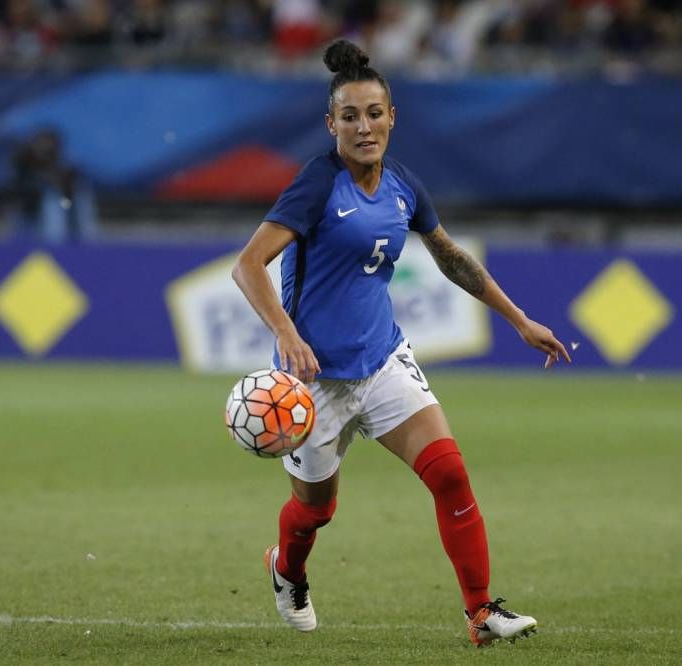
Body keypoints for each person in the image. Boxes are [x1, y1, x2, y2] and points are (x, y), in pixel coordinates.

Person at [231, 39, 571, 646]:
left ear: (393, 117)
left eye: (375, 113)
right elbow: (249, 266)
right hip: (315, 381)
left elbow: (451, 259)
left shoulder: (405, 187)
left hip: (383, 361)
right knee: (315, 511)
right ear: (330, 124)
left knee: (450, 475)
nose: (365, 127)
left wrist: (519, 319)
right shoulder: (317, 184)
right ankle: (286, 569)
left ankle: (480, 612)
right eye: (351, 116)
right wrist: (286, 333)